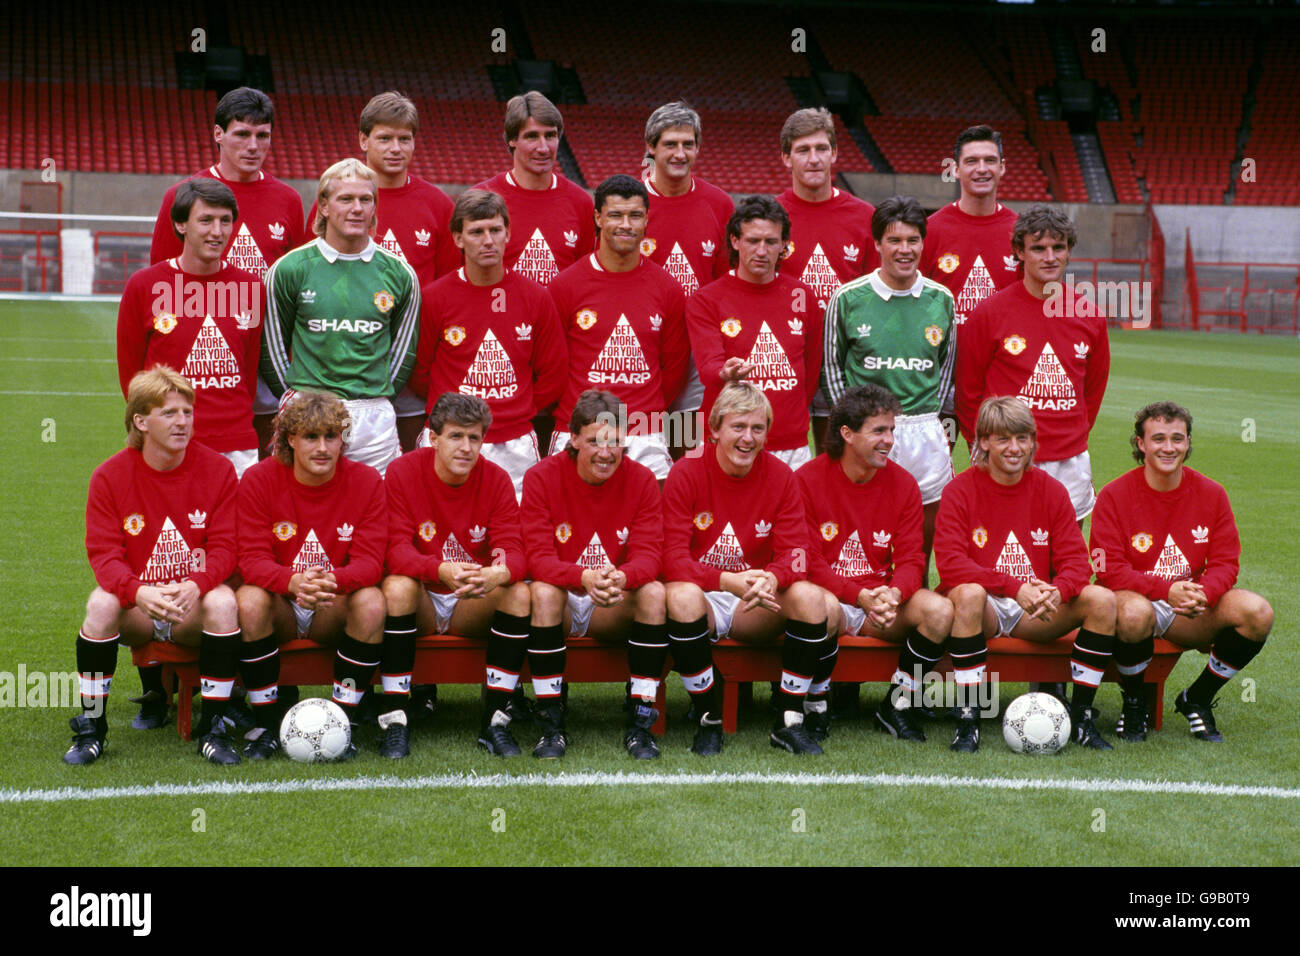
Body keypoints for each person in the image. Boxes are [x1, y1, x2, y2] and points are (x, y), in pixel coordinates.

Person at [65, 367, 240, 766]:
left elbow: (227, 548)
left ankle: (213, 729)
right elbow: (104, 555)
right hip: (139, 609)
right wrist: (138, 591)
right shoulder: (109, 476)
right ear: (140, 421)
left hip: (191, 607)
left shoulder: (219, 470)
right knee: (100, 605)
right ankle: (93, 728)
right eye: (169, 413)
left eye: (187, 412)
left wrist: (197, 584)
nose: (182, 422)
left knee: (225, 602)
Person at [934, 396, 1117, 753]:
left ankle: (1080, 716)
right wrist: (1015, 587)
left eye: (1022, 438)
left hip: (1035, 611)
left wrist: (1058, 592)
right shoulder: (960, 490)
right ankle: (968, 718)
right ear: (983, 441)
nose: (1014, 448)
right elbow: (951, 565)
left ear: (1033, 441)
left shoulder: (1051, 490)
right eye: (1003, 439)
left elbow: (1078, 564)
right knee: (968, 593)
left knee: (1101, 599)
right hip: (983, 608)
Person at [663, 382, 831, 755]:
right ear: (715, 429)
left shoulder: (783, 477)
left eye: (757, 428)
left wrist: (774, 577)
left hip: (753, 602)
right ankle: (708, 717)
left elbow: (798, 555)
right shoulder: (686, 472)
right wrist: (725, 580)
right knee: (682, 596)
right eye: (738, 426)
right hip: (703, 595)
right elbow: (671, 559)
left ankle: (789, 720)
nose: (748, 438)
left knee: (809, 597)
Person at [1090, 402, 1272, 742]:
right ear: (1141, 444)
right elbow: (1108, 570)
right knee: (1133, 613)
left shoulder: (1212, 493)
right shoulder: (1114, 495)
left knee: (1257, 612)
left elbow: (1226, 561)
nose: (1168, 447)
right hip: (1134, 603)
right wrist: (1165, 590)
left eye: (1177, 438)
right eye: (1158, 438)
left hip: (1189, 606)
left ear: (1188, 443)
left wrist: (1205, 594)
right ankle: (1135, 702)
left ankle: (1197, 699)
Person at [304, 91, 460, 454]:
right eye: (384, 138)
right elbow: (311, 270)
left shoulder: (437, 204)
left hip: (411, 359)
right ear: (363, 140)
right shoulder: (335, 199)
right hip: (341, 358)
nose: (395, 148)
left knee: (403, 460)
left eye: (404, 139)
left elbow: (449, 289)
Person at [234, 392, 388, 758]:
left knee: (371, 602)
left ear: (342, 440)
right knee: (249, 601)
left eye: (331, 436)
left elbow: (371, 563)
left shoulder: (366, 481)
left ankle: (342, 720)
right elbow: (250, 561)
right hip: (283, 605)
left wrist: (329, 583)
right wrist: (293, 582)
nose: (322, 447)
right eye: (310, 437)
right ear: (290, 439)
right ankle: (267, 722)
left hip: (331, 604)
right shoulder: (259, 479)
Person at [799, 384, 953, 743]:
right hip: (831, 600)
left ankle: (896, 706)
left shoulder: (903, 485)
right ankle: (816, 705)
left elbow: (913, 559)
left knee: (939, 611)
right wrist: (858, 595)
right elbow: (808, 563)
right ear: (847, 433)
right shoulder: (806, 480)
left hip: (881, 606)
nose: (889, 440)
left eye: (892, 431)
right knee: (819, 607)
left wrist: (895, 595)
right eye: (879, 431)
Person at [382, 393, 530, 758]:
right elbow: (393, 550)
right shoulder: (402, 472)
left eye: (474, 438)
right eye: (455, 436)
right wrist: (437, 569)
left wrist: (498, 572)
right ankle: (396, 720)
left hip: (470, 599)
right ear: (433, 438)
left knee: (518, 593)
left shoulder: (495, 479)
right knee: (396, 588)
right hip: (424, 597)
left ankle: (495, 721)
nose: (466, 447)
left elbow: (513, 549)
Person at [522, 390, 666, 758]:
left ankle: (641, 721)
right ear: (573, 439)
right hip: (566, 598)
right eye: (595, 442)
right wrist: (584, 577)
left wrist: (623, 577)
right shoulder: (541, 477)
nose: (606, 453)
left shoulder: (644, 479)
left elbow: (650, 557)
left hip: (611, 602)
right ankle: (550, 723)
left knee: (652, 594)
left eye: (615, 442)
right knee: (541, 592)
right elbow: (537, 559)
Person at [262, 158, 420, 475]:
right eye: (345, 199)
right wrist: (299, 394)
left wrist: (373, 390)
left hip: (372, 413)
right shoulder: (291, 268)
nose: (357, 208)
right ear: (323, 205)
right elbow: (272, 347)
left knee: (376, 507)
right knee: (303, 506)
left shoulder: (400, 273)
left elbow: (404, 353)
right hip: (307, 405)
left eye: (366, 199)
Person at [408, 189, 566, 499]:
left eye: (495, 230)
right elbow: (419, 369)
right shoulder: (434, 297)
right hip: (448, 436)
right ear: (457, 238)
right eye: (477, 232)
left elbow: (553, 373)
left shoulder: (535, 297)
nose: (488, 240)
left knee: (515, 532)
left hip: (514, 440)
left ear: (508, 232)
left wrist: (516, 409)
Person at [955, 204, 1109, 522]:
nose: (1049, 257)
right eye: (1038, 248)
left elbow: (1092, 390)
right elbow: (967, 390)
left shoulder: (1090, 315)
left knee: (1066, 557)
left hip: (1069, 458)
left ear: (1069, 252)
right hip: (1004, 455)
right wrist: (984, 445)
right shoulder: (989, 313)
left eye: (1058, 247)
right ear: (1019, 252)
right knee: (1001, 551)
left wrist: (1073, 434)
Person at [822, 196, 956, 556]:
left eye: (913, 240)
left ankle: (918, 598)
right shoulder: (848, 298)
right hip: (867, 431)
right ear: (877, 243)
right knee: (861, 535)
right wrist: (854, 421)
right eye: (894, 240)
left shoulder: (941, 299)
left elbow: (945, 367)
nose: (904, 249)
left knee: (922, 541)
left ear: (923, 244)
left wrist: (928, 413)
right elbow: (832, 367)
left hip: (923, 431)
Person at [118, 178, 264, 477]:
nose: (217, 231)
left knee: (233, 525)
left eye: (225, 221)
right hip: (167, 441)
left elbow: (248, 368)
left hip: (236, 444)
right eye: (206, 220)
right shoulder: (144, 286)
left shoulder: (251, 288)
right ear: (182, 225)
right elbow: (132, 374)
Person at [547, 174, 688, 480]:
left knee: (651, 523)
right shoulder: (564, 287)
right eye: (615, 215)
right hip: (579, 427)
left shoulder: (669, 290)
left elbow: (673, 373)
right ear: (598, 217)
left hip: (644, 431)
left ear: (646, 220)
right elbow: (552, 367)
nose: (626, 224)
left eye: (635, 216)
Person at [686, 196, 822, 468]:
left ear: (784, 245)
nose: (761, 251)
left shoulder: (801, 294)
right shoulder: (706, 300)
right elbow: (708, 367)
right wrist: (726, 373)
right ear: (735, 241)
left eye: (771, 242)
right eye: (752, 241)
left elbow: (811, 368)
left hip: (791, 446)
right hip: (729, 442)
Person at [776, 107, 877, 452]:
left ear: (834, 153)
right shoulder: (769, 218)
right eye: (803, 150)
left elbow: (876, 292)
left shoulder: (864, 216)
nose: (814, 159)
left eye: (822, 149)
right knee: (778, 451)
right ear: (786, 158)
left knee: (840, 457)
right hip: (785, 354)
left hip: (846, 357)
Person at [922, 124, 1019, 448]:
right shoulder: (931, 231)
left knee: (1000, 470)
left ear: (1002, 167)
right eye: (972, 161)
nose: (981, 169)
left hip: (1000, 376)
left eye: (990, 160)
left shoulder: (1021, 233)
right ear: (956, 168)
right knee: (933, 471)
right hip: (940, 378)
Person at [473, 91, 595, 286]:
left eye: (550, 135)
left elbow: (586, 279)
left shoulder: (581, 203)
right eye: (532, 136)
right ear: (512, 140)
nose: (544, 147)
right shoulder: (481, 199)